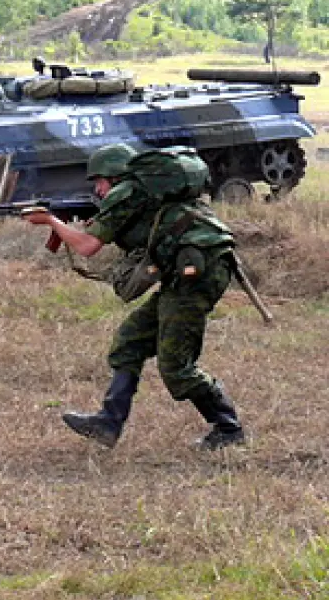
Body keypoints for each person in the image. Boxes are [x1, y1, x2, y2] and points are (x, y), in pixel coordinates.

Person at [23, 143, 246, 451]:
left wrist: (51, 222)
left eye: (99, 181)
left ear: (113, 176)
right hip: (192, 268)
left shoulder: (126, 193)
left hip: (197, 274)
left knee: (176, 367)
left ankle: (228, 428)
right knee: (130, 342)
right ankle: (108, 423)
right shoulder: (141, 194)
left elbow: (87, 246)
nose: (97, 189)